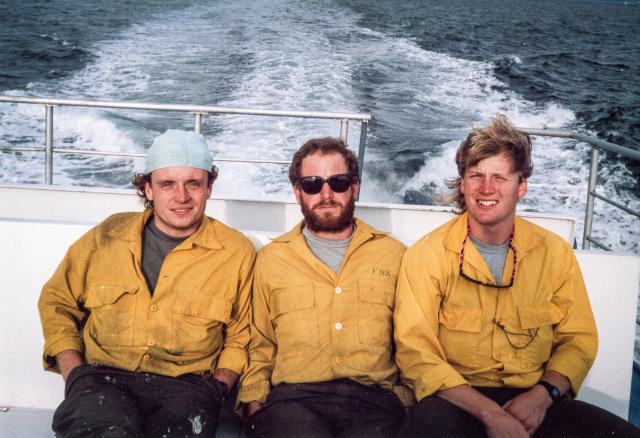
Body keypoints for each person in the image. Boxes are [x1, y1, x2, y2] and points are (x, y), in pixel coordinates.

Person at [394, 115, 640, 437]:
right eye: (476, 176)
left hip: (535, 399)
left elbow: (578, 341)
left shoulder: (554, 253)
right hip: (455, 400)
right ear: (463, 184)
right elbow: (416, 353)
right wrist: (491, 415)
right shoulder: (427, 256)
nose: (486, 188)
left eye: (500, 177)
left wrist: (542, 397)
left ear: (521, 185)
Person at [38, 129, 256, 437]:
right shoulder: (107, 236)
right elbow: (57, 302)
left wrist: (216, 389)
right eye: (167, 184)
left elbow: (241, 336)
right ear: (148, 188)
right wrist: (74, 372)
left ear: (209, 187)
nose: (181, 197)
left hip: (186, 390)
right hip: (102, 381)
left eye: (193, 183)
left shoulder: (236, 252)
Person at [238, 137, 407, 438]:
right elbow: (259, 345)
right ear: (297, 192)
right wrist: (254, 402)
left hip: (374, 403)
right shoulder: (270, 260)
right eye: (313, 184)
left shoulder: (394, 255)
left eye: (338, 182)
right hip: (294, 402)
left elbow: (412, 342)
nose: (326, 194)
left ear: (355, 186)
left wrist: (406, 399)